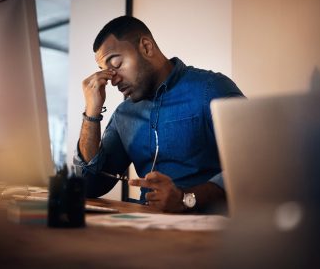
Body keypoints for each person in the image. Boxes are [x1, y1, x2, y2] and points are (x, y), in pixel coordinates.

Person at [73, 16, 244, 213]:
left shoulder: (211, 89)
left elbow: (252, 165)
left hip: (207, 232)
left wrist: (184, 199)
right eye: (106, 72)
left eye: (117, 64)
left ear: (146, 47)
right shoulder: (124, 115)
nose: (112, 80)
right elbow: (90, 185)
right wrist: (91, 113)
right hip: (147, 229)